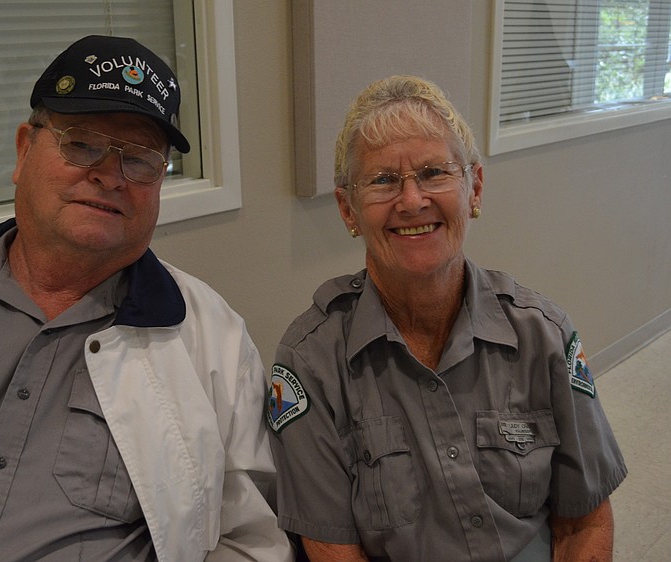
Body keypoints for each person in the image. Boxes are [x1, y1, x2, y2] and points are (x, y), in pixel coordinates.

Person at [0, 35, 293, 562]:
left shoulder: (215, 343)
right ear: (25, 150)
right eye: (82, 143)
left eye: (138, 158)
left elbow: (249, 539)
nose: (109, 176)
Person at [266, 75, 626, 562]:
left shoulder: (544, 334)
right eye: (383, 180)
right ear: (347, 209)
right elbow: (333, 551)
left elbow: (584, 522)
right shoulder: (311, 362)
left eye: (435, 172)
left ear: (473, 187)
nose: (412, 201)